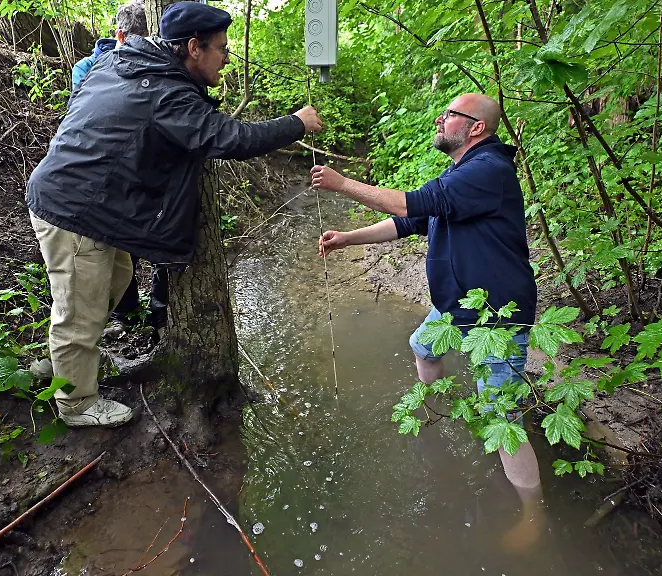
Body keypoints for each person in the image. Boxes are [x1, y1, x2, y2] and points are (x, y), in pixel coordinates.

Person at [27, 1, 323, 428]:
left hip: (85, 200)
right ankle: (75, 404)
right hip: (75, 208)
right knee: (80, 306)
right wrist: (295, 123)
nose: (226, 58)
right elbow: (229, 138)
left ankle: (63, 361)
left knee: (112, 281)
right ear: (192, 48)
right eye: (221, 49)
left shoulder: (128, 61)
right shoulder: (166, 92)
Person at [311, 93, 543, 550]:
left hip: (495, 314)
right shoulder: (460, 172)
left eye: (450, 114)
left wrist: (341, 184)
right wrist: (347, 239)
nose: (441, 119)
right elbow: (410, 220)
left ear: (475, 127)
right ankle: (436, 406)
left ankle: (534, 515)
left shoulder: (489, 170)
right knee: (423, 345)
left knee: (503, 418)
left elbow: (407, 202)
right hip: (456, 305)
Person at [69, 1, 168, 340]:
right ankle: (125, 314)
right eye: (134, 39)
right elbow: (84, 117)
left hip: (146, 172)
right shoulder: (91, 66)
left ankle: (158, 314)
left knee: (156, 245)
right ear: (120, 35)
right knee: (115, 248)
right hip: (108, 176)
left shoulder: (160, 65)